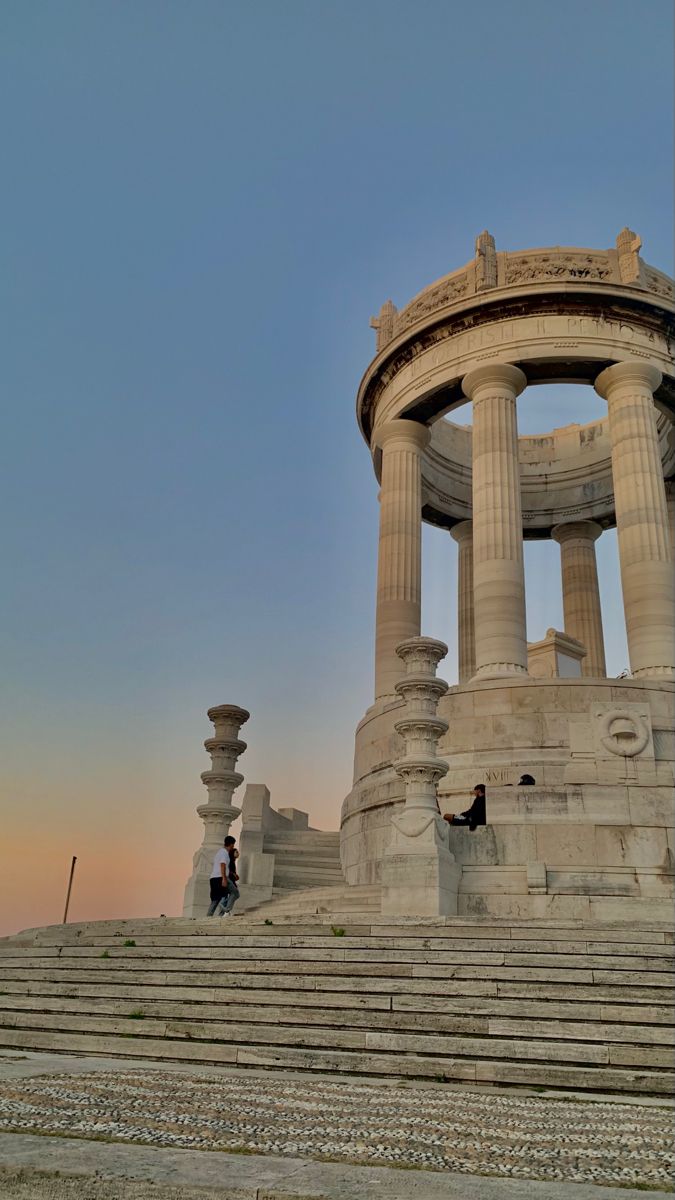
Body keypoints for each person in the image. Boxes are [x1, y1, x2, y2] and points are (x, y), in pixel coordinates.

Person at [207, 835, 238, 917]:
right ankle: (226, 910)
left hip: (213, 878)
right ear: (231, 844)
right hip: (221, 877)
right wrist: (224, 879)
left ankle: (208, 916)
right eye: (233, 845)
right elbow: (222, 865)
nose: (233, 847)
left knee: (216, 899)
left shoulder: (219, 852)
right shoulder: (224, 853)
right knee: (235, 893)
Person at [217, 836, 240, 918]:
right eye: (236, 852)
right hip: (227, 880)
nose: (238, 853)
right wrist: (232, 875)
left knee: (229, 896)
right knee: (232, 895)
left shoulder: (232, 861)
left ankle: (223, 913)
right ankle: (225, 910)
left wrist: (235, 876)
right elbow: (226, 869)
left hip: (229, 880)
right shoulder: (229, 859)